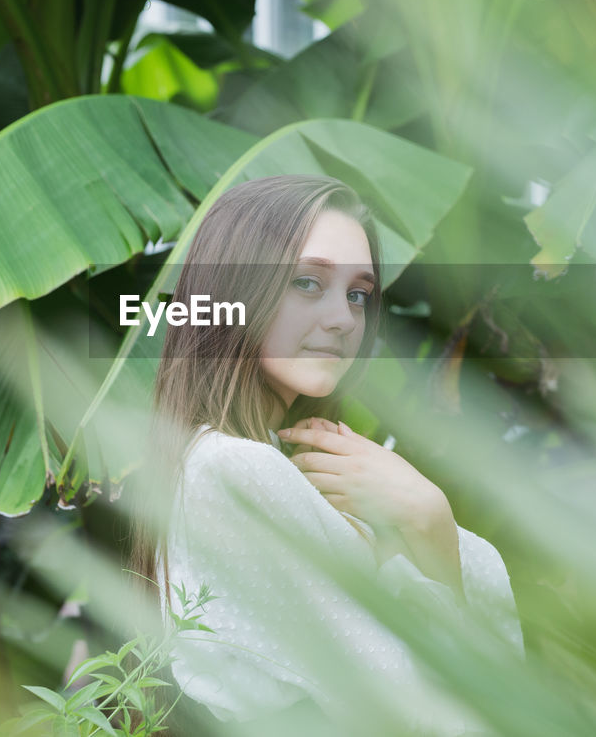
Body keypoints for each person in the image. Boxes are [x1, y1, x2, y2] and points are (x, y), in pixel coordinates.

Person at [126, 175, 522, 736]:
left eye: (357, 294)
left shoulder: (236, 461)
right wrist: (426, 517)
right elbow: (412, 706)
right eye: (308, 283)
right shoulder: (236, 469)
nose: (343, 319)